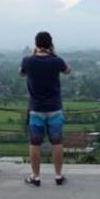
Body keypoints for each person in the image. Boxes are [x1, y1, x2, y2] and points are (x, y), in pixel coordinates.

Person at [19, 31, 71, 187]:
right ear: (50, 44)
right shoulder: (56, 61)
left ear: (36, 44)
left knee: (35, 143)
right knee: (57, 142)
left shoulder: (28, 61)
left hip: (36, 109)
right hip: (54, 108)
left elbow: (21, 73)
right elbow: (68, 70)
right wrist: (54, 54)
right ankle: (58, 175)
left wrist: (33, 54)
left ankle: (35, 177)